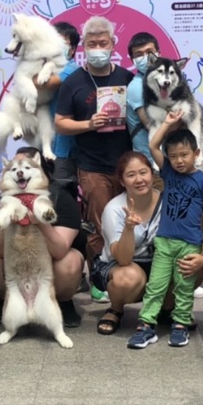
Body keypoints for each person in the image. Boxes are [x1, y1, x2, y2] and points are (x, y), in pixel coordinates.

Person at [127, 111, 203, 349]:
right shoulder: (168, 171)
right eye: (174, 156)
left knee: (184, 287)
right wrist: (167, 123)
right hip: (164, 242)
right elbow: (153, 145)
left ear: (196, 153)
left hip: (190, 243)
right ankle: (146, 325)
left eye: (184, 155)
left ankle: (180, 324)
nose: (179, 161)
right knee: (155, 286)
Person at [54, 16, 132, 271]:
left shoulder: (127, 78)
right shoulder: (73, 82)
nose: (98, 49)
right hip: (92, 166)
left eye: (103, 43)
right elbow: (60, 123)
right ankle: (100, 275)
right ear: (84, 47)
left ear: (113, 44)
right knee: (99, 224)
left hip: (126, 165)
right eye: (92, 44)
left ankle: (127, 272)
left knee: (130, 221)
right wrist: (88, 124)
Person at [0, 147, 85, 329]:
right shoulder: (3, 199)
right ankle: (7, 303)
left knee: (71, 261)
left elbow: (60, 250)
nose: (19, 172)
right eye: (14, 168)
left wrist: (40, 222)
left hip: (48, 263)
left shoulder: (61, 197)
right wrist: (7, 222)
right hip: (15, 261)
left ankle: (63, 302)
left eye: (25, 167)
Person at [50, 21, 81, 204]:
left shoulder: (70, 70)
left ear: (72, 49)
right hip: (46, 144)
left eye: (62, 43)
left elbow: (43, 84)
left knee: (61, 198)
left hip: (63, 149)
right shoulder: (46, 67)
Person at [125, 31, 160, 162]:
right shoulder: (137, 87)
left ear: (159, 53)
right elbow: (152, 126)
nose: (146, 57)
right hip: (150, 161)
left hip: (170, 158)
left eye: (150, 51)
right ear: (132, 60)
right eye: (139, 54)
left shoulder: (167, 81)